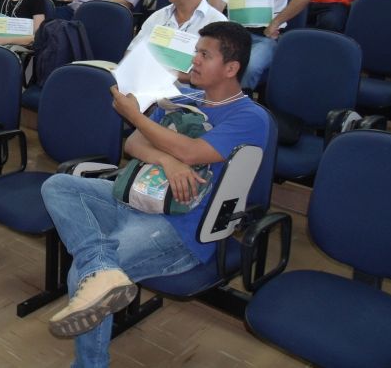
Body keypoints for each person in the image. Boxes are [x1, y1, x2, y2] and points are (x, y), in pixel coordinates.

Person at [41, 21, 269, 368]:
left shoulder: (250, 116)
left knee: (84, 277)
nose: (194, 60)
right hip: (134, 197)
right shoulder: (182, 98)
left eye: (205, 55)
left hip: (181, 227)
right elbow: (133, 144)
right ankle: (101, 263)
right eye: (195, 51)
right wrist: (168, 161)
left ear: (231, 68)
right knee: (58, 186)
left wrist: (136, 116)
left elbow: (192, 152)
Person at [127, 0, 226, 86]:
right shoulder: (158, 17)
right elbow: (131, 54)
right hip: (146, 86)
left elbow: (215, 73)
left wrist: (167, 74)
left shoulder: (216, 22)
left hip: (191, 93)